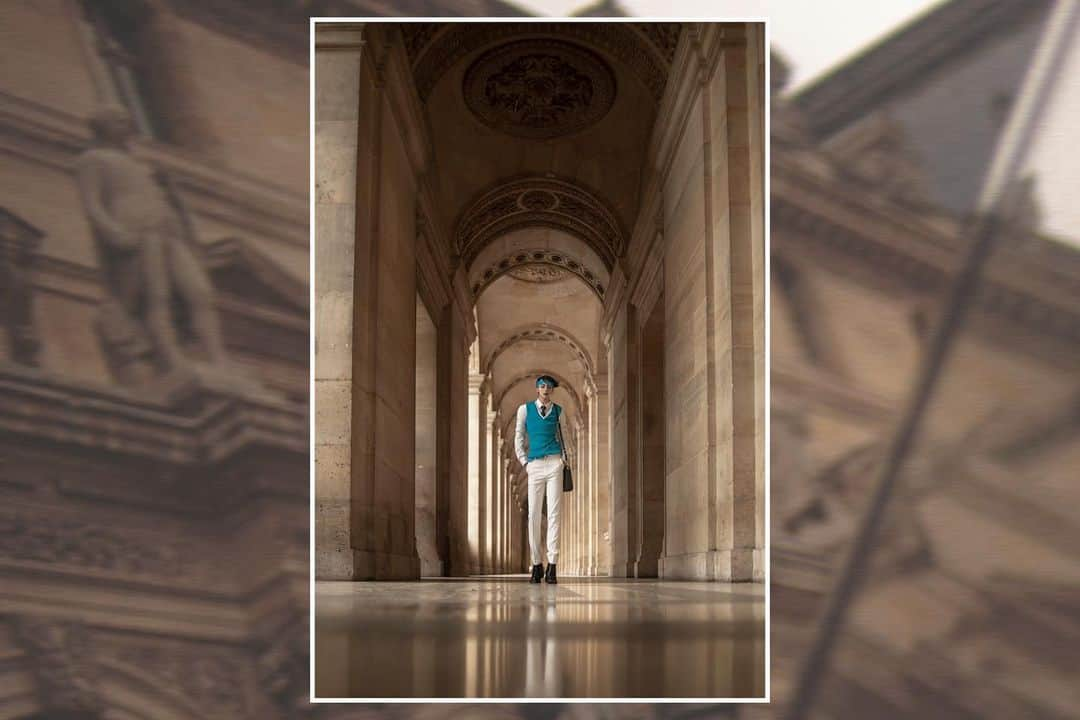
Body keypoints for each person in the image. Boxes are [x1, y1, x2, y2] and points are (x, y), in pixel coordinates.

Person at [76, 105, 227, 373]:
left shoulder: (142, 164)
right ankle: (171, 359)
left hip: (166, 229)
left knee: (200, 292)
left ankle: (217, 359)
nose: (127, 125)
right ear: (103, 126)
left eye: (127, 120)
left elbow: (169, 201)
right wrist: (113, 231)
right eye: (119, 121)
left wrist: (168, 189)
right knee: (156, 295)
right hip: (136, 229)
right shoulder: (93, 159)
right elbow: (92, 204)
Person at [514, 374, 566, 584]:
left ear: (552, 390)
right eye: (542, 386)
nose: (546, 390)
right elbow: (518, 436)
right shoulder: (524, 410)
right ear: (537, 389)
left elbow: (566, 437)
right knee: (533, 516)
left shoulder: (559, 411)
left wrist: (562, 460)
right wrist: (524, 462)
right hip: (534, 465)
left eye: (549, 387)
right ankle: (537, 564)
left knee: (554, 514)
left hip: (554, 463)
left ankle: (552, 564)